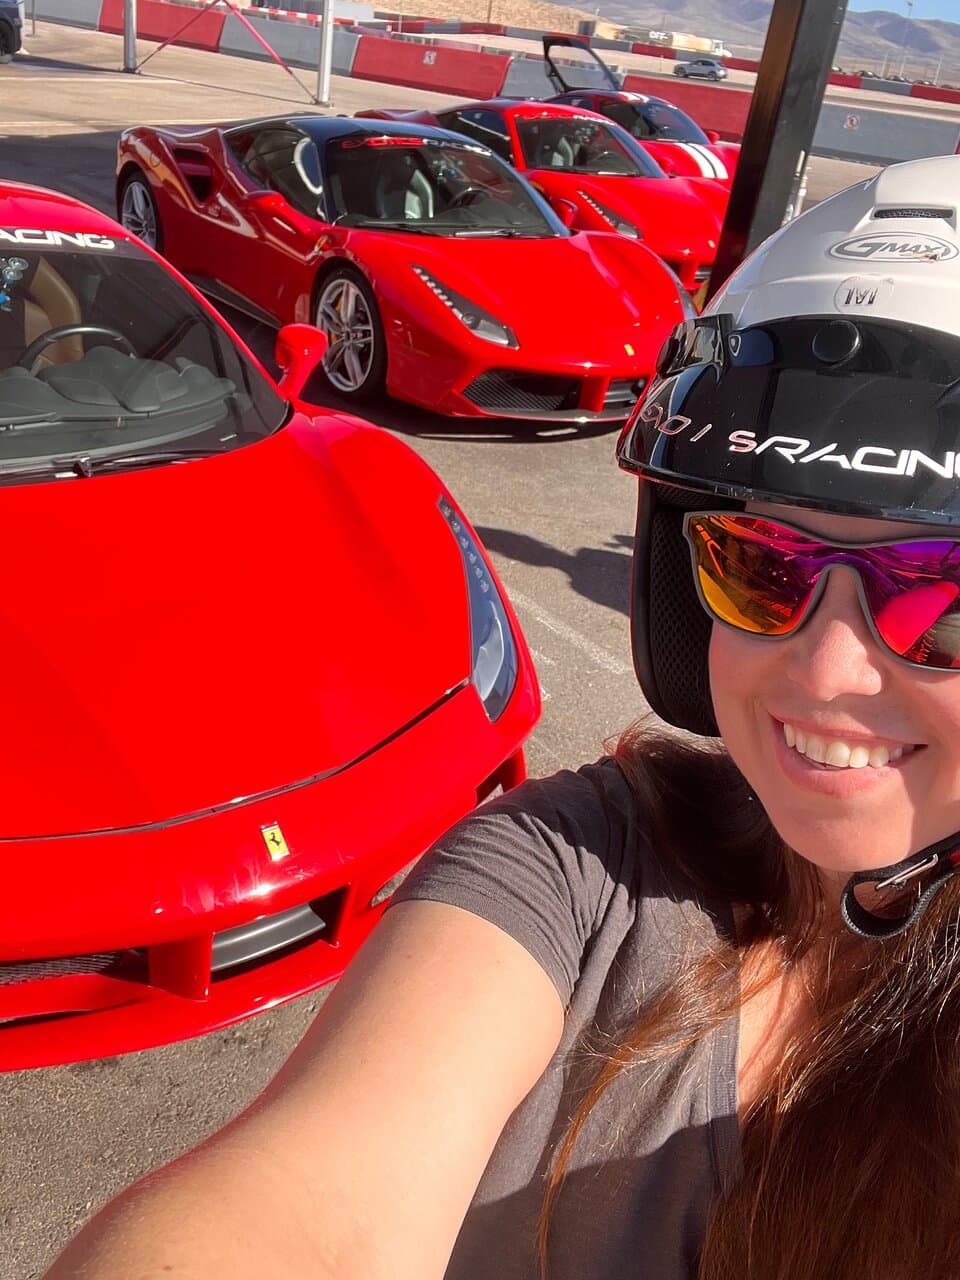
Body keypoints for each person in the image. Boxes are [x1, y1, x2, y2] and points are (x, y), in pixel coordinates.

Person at [44, 153, 960, 1280]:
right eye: (761, 566)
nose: (822, 669)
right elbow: (306, 1205)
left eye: (943, 600)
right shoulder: (583, 869)